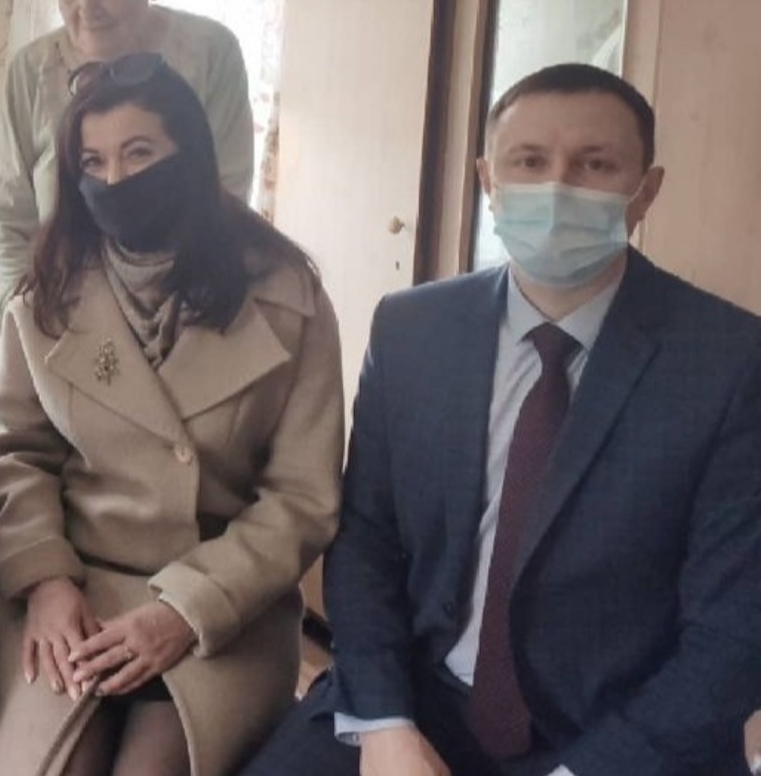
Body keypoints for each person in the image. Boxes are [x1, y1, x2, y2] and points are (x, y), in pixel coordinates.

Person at [242, 63, 761, 776]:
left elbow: (735, 630)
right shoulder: (412, 330)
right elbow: (366, 542)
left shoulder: (728, 361)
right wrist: (386, 724)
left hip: (617, 735)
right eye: (529, 161)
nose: (557, 188)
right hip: (416, 700)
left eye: (595, 165)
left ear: (645, 191)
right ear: (489, 181)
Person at [0, 53, 344, 776]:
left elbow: (301, 498)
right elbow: (17, 453)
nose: (115, 180)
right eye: (93, 162)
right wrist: (45, 581)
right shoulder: (45, 293)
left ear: (190, 154)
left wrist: (187, 608)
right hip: (74, 589)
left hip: (222, 602)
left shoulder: (289, 298)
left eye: (139, 153)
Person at [0, 0, 257, 297]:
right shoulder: (31, 70)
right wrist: (28, 315)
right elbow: (7, 218)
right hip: (61, 307)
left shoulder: (210, 53)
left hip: (183, 301)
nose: (86, 6)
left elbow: (227, 194)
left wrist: (184, 315)